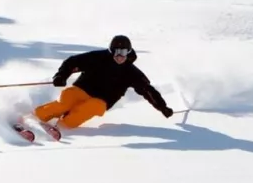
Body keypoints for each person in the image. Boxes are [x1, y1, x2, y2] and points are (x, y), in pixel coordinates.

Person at [34, 35, 172, 131]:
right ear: (111, 51)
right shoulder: (98, 58)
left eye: (123, 52)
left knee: (91, 107)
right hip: (82, 90)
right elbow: (72, 62)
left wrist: (162, 107)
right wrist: (61, 76)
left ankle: (62, 126)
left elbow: (147, 90)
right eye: (116, 52)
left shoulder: (131, 72)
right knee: (67, 100)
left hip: (102, 100)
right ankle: (36, 116)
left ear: (128, 52)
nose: (120, 56)